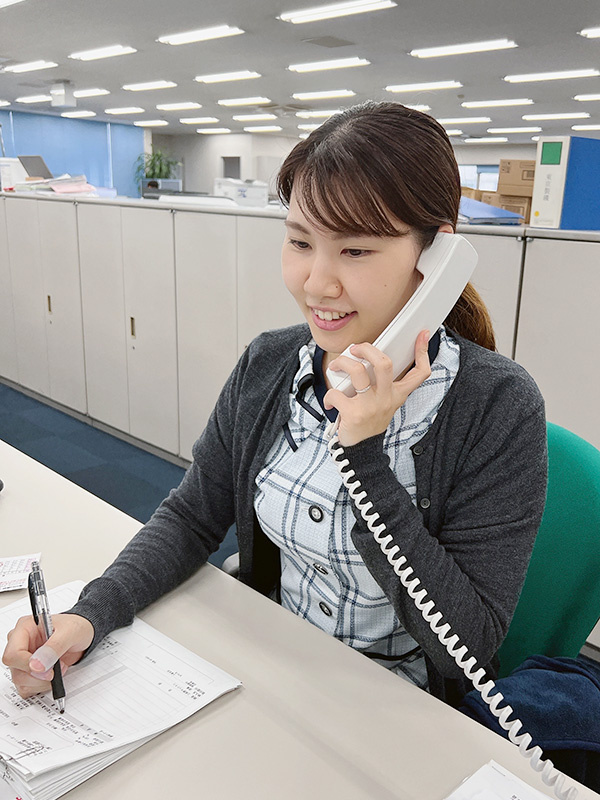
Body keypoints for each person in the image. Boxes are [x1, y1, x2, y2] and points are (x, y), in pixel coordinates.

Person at [2, 101, 547, 707]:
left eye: (356, 251)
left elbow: (464, 647)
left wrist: (365, 455)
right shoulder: (269, 363)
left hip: (402, 705)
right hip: (265, 665)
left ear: (436, 259)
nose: (316, 283)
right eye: (299, 242)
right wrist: (92, 613)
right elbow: (192, 517)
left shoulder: (497, 405)